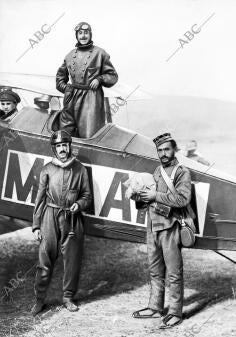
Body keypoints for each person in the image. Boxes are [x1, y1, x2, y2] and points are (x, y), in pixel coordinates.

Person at [132, 133, 194, 329]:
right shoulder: (157, 171)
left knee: (174, 272)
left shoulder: (182, 172)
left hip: (170, 227)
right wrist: (140, 197)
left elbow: (183, 200)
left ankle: (175, 312)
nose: (163, 153)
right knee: (155, 271)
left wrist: (154, 195)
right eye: (160, 150)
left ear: (174, 150)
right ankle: (155, 307)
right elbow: (151, 200)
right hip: (153, 226)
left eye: (167, 149)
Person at [31, 130, 92, 316]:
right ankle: (39, 299)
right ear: (54, 148)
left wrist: (79, 204)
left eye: (65, 145)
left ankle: (68, 297)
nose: (62, 149)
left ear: (69, 146)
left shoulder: (80, 169)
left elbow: (87, 196)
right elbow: (40, 198)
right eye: (59, 146)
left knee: (72, 259)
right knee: (45, 257)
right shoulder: (47, 169)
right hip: (50, 214)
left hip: (72, 219)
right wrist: (36, 225)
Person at [56, 22, 118, 138]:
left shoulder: (100, 53)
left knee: (90, 136)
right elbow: (60, 79)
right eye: (80, 33)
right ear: (76, 36)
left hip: (91, 99)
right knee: (65, 135)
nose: (83, 36)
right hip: (71, 99)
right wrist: (67, 89)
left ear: (90, 35)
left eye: (86, 33)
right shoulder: (69, 55)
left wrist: (100, 79)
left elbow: (112, 76)